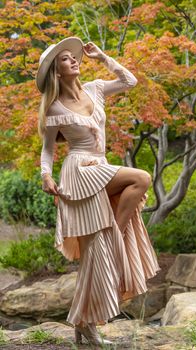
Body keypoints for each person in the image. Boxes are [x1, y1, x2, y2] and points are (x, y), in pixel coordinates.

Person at [36, 37, 160, 347]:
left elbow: (129, 81)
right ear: (56, 71)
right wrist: (45, 175)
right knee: (94, 254)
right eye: (65, 59)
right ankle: (85, 326)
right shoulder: (54, 106)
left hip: (100, 167)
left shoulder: (95, 87)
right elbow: (48, 149)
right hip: (78, 174)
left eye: (73, 57)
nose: (74, 61)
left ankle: (83, 324)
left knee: (138, 183)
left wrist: (103, 57)